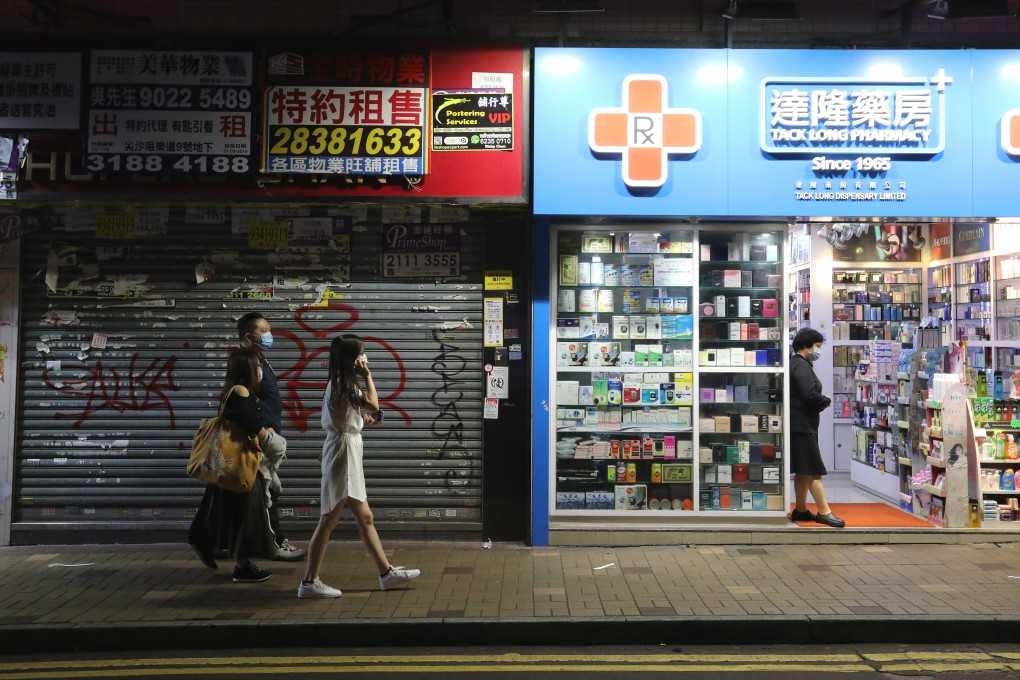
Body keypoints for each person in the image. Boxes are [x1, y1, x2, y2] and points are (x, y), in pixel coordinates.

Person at [297, 334, 421, 599]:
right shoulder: (345, 383)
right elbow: (375, 404)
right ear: (351, 358)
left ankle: (386, 574)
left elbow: (345, 419)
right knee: (328, 519)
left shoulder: (341, 383)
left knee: (365, 517)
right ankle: (309, 583)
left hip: (346, 450)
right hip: (342, 454)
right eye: (361, 353)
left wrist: (363, 423)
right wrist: (368, 376)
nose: (364, 357)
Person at [188, 346, 287, 581]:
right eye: (258, 366)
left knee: (227, 513)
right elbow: (253, 425)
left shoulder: (234, 391)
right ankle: (239, 565)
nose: (261, 370)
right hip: (240, 464)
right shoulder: (241, 392)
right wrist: (275, 445)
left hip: (232, 462)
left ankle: (226, 555)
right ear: (248, 369)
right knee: (246, 516)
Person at [237, 312, 307, 562]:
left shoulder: (260, 359)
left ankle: (249, 550)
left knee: (266, 494)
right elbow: (245, 405)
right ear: (249, 336)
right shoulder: (245, 362)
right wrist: (265, 438)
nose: (269, 335)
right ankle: (273, 544)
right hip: (257, 441)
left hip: (266, 438)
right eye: (264, 330)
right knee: (265, 496)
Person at [789, 327, 845, 528]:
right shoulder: (801, 366)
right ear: (807, 345)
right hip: (802, 426)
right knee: (813, 470)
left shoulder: (795, 364)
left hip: (800, 425)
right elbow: (808, 394)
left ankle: (801, 510)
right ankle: (824, 512)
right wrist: (825, 400)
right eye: (818, 346)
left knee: (803, 470)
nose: (818, 350)